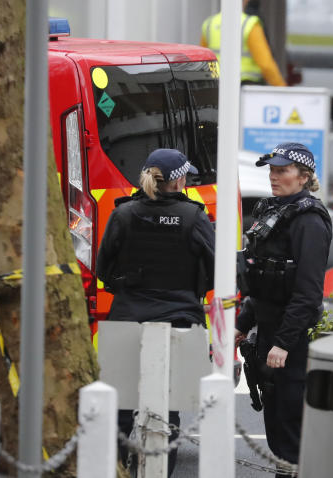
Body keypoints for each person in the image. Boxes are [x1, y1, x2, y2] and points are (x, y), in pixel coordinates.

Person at [94, 148, 215, 475]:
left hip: (126, 321)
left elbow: (102, 269)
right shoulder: (194, 217)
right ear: (178, 181)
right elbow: (216, 270)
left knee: (120, 411)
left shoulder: (123, 214)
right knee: (167, 413)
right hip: (180, 323)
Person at [234, 142, 332, 473]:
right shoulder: (272, 211)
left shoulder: (309, 221)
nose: (274, 177)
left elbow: (307, 293)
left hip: (292, 340)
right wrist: (243, 323)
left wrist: (283, 342)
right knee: (275, 425)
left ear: (303, 177)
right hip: (269, 332)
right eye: (272, 170)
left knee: (291, 427)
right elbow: (260, 282)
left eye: (282, 171)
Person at [201, 0, 286, 86]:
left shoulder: (209, 23)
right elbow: (266, 64)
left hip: (217, 86)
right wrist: (283, 90)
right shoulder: (249, 23)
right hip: (246, 87)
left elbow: (202, 61)